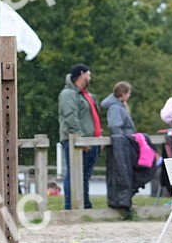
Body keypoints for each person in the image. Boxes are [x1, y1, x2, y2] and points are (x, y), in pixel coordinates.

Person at [101, 81, 154, 220]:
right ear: (123, 94)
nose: (129, 96)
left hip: (125, 141)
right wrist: (126, 137)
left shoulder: (119, 107)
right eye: (128, 93)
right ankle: (122, 202)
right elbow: (115, 127)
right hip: (123, 143)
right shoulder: (115, 108)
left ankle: (125, 200)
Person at [57, 63, 102, 210]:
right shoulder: (68, 94)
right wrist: (81, 138)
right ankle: (70, 206)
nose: (90, 77)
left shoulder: (84, 94)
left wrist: (98, 136)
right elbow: (70, 117)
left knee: (85, 175)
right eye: (88, 74)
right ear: (81, 74)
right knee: (73, 173)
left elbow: (91, 117)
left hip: (90, 140)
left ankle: (84, 204)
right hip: (76, 141)